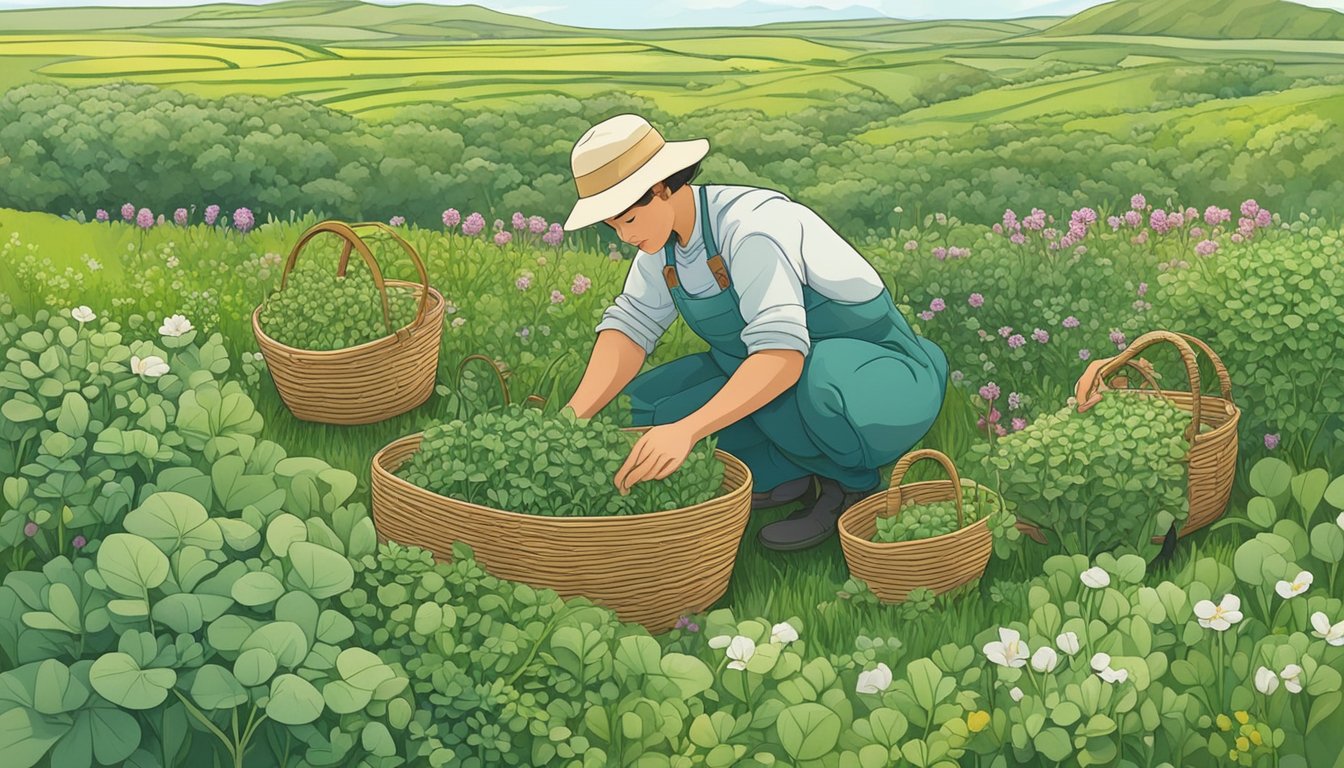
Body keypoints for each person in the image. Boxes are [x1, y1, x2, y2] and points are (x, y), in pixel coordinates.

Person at [560, 113, 949, 551]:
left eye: (628, 220)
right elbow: (631, 327)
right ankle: (787, 474)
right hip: (767, 369)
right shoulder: (660, 243)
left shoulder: (751, 228)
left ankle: (850, 486)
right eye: (613, 226)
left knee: (814, 384)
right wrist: (571, 418)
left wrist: (687, 430)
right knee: (645, 406)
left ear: (662, 188)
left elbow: (781, 358)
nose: (624, 236)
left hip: (876, 374)